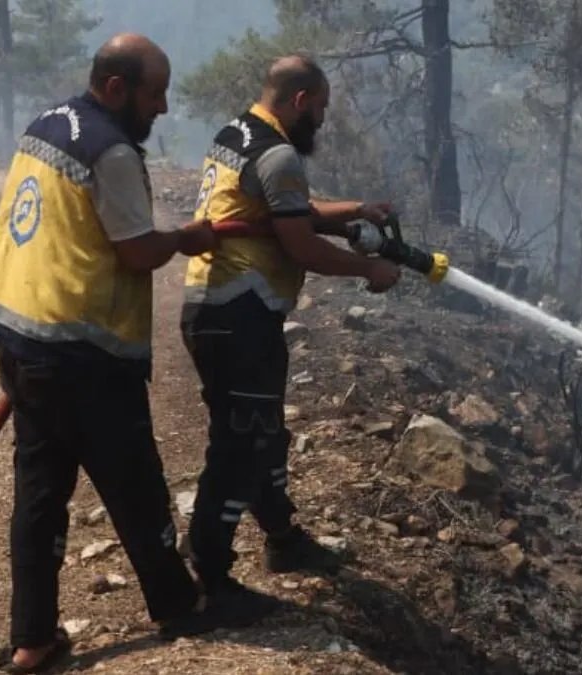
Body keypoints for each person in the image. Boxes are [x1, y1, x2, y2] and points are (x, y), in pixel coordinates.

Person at [0, 33, 267, 673]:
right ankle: (178, 605)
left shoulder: (46, 123)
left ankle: (32, 641)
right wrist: (186, 238)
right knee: (135, 484)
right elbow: (137, 250)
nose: (161, 106)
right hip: (83, 352)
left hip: (21, 337)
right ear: (115, 87)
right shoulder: (110, 151)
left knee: (40, 492)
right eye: (154, 92)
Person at [180, 54, 401, 601]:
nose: (322, 122)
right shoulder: (279, 154)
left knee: (264, 433)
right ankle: (207, 575)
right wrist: (369, 268)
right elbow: (299, 243)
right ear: (300, 100)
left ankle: (282, 538)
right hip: (239, 314)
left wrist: (358, 209)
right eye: (320, 109)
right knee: (240, 443)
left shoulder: (239, 131)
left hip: (222, 310)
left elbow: (285, 212)